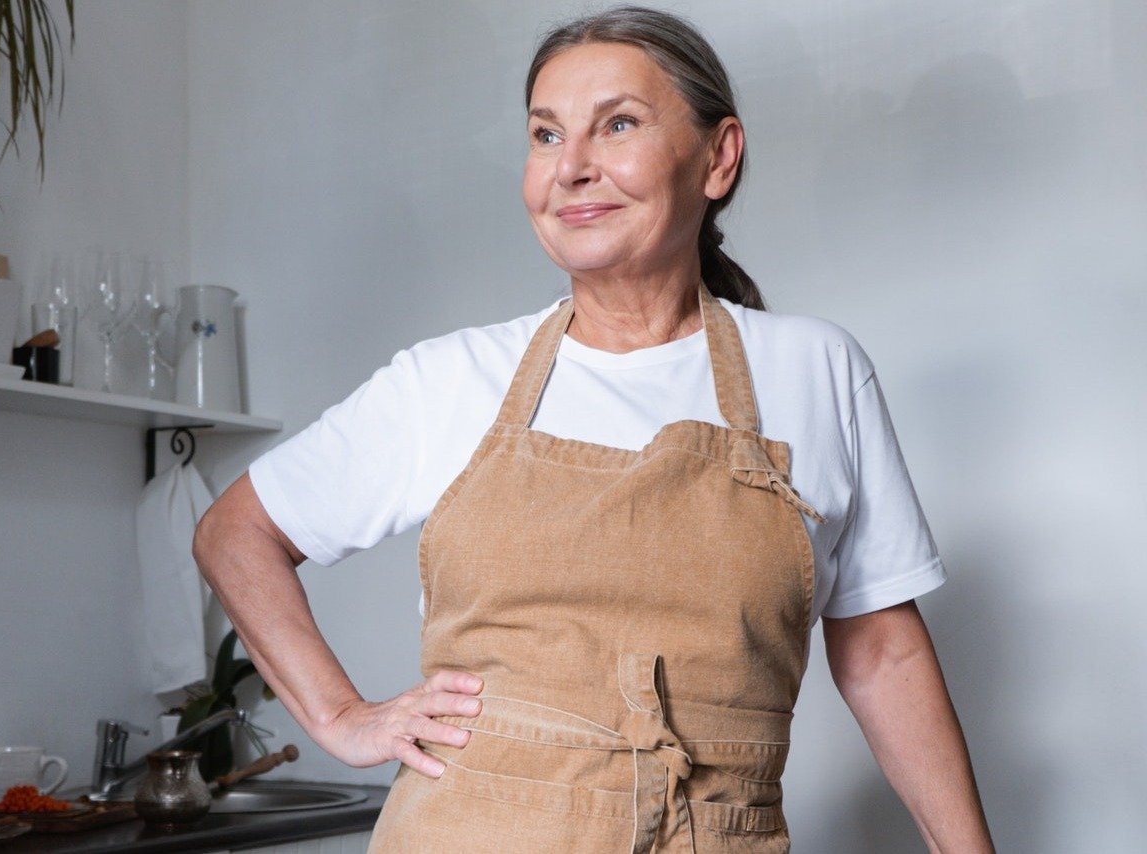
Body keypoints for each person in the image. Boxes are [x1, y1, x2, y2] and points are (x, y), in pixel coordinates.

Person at [194, 6, 993, 852]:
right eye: (545, 136)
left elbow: (880, 653)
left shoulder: (814, 371)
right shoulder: (450, 380)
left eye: (617, 125)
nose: (570, 167)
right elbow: (236, 533)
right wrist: (341, 715)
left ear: (718, 157)